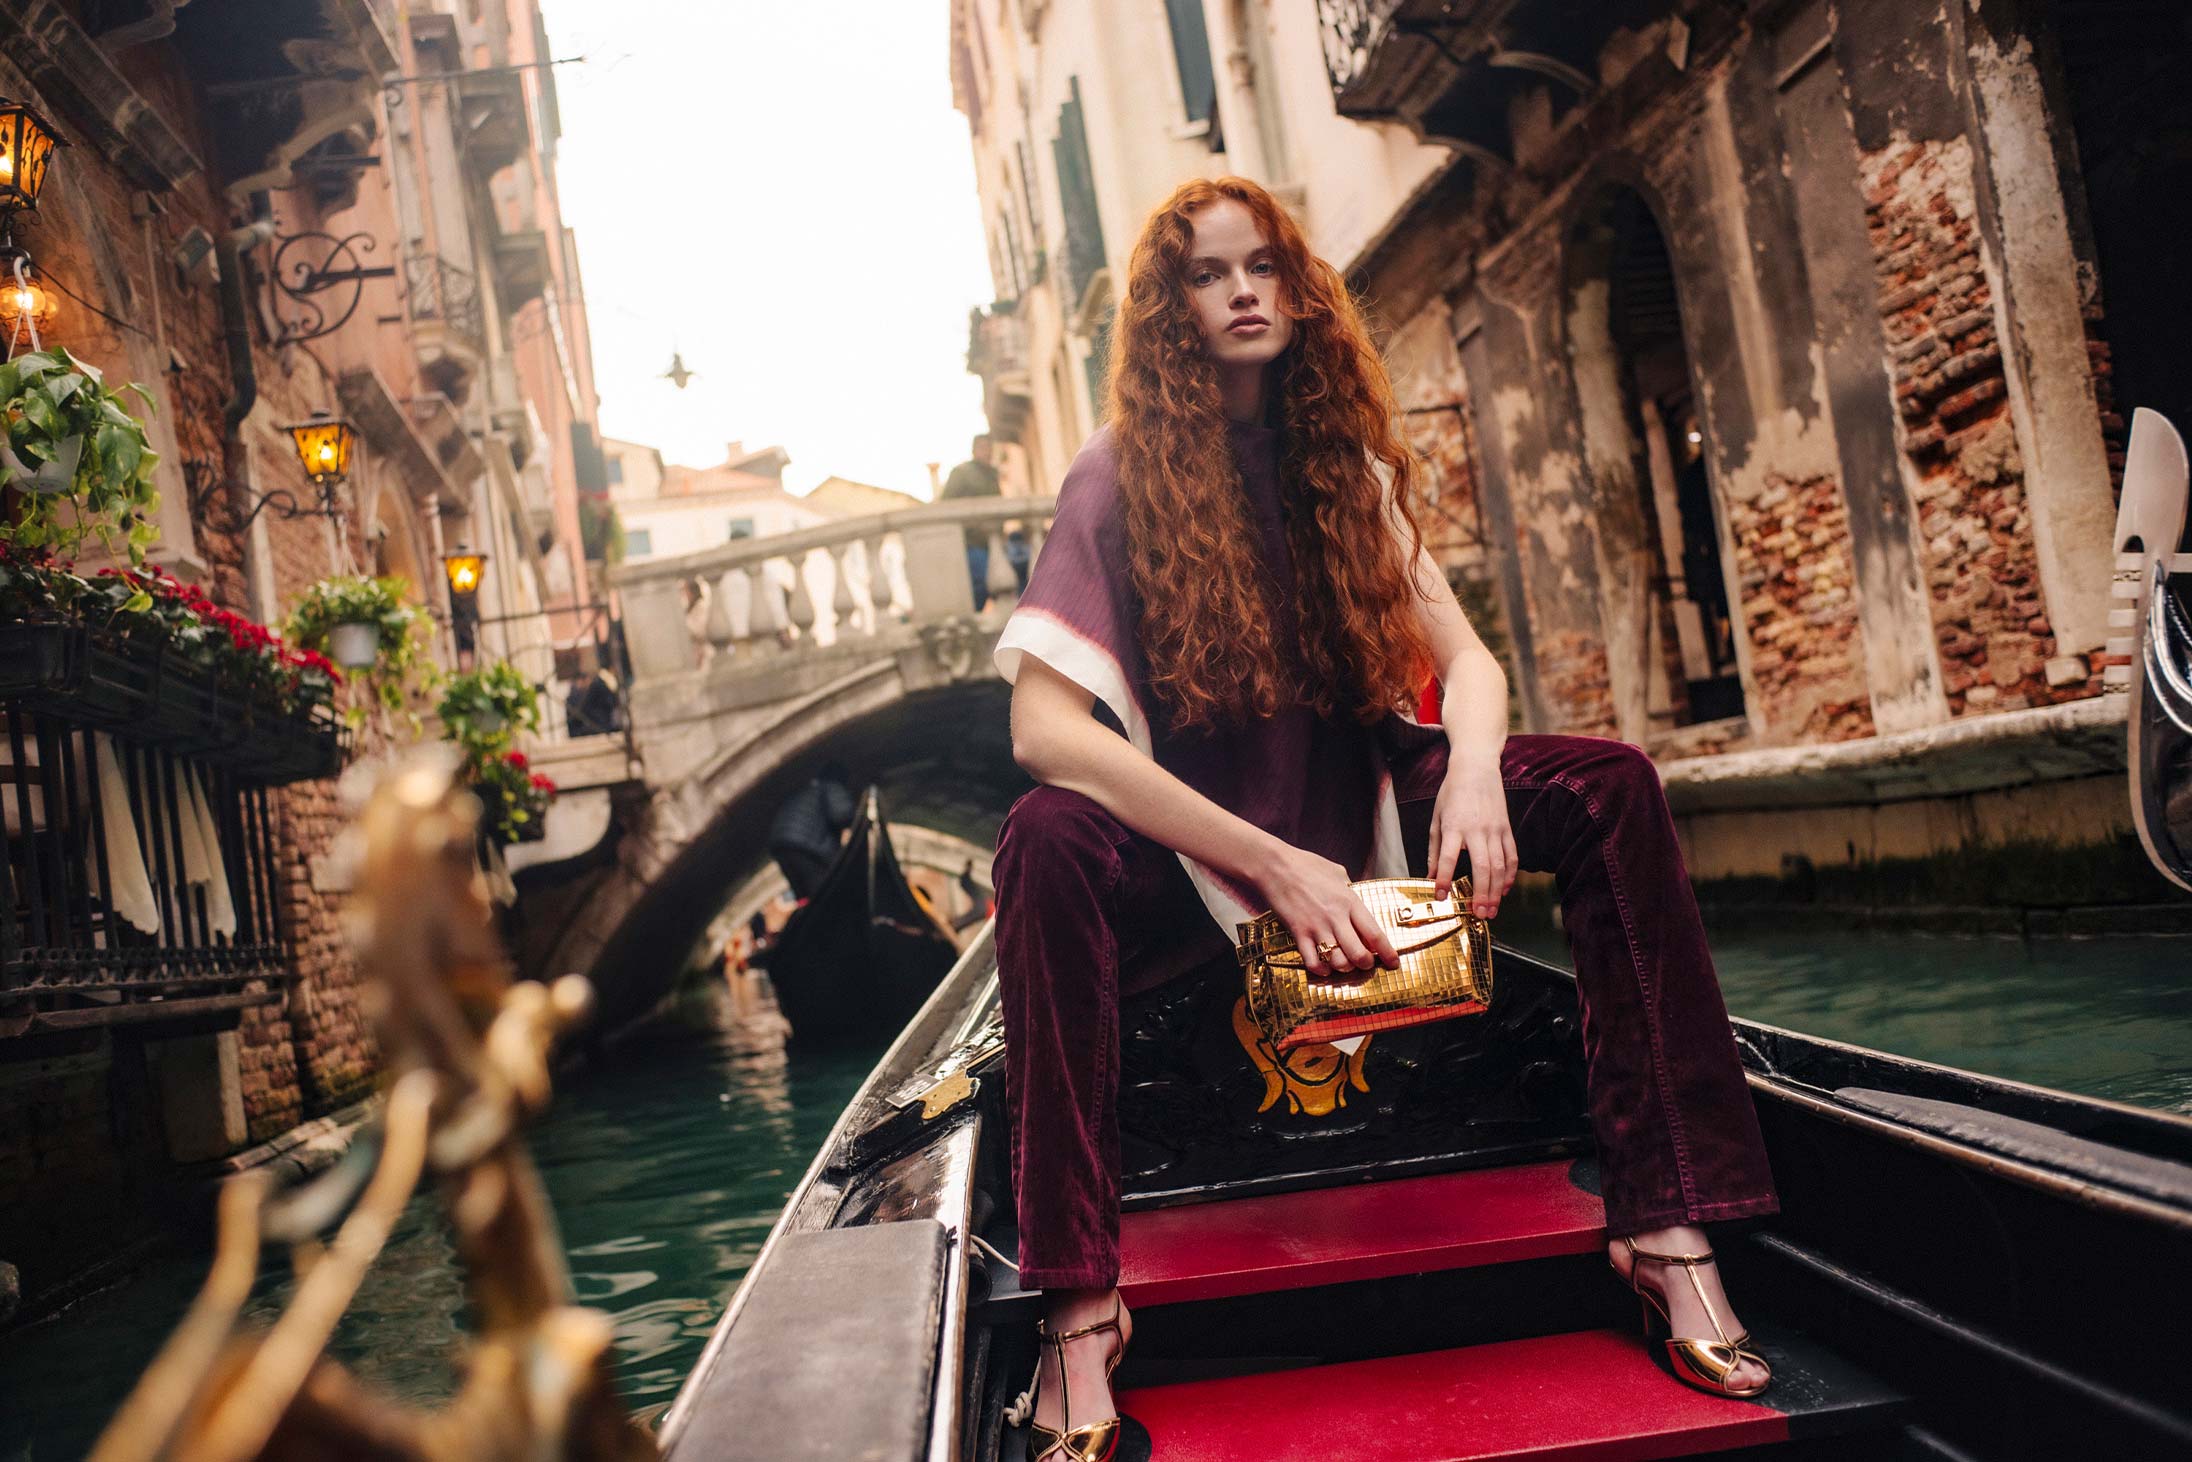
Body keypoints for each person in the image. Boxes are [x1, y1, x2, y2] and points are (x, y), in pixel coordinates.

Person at [991, 177, 1776, 1460]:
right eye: (1204, 273)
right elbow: (1043, 732)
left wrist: (1470, 769)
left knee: (1608, 785)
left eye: (1262, 266)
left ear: (1301, 292)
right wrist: (1265, 862)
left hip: (1362, 819)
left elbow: (1465, 664)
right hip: (1191, 864)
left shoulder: (1343, 469)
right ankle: (1078, 1298)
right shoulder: (1112, 478)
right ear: (1165, 310)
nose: (1241, 291)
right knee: (1040, 835)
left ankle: (1664, 1220)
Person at [939, 434, 1027, 610]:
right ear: (974, 450)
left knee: (1013, 581)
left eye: (989, 448)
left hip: (994, 541)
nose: (986, 452)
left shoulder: (992, 475)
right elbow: (947, 505)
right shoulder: (962, 473)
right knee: (981, 586)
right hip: (973, 542)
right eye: (982, 448)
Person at [765, 761, 855, 901]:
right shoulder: (831, 787)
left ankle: (804, 904)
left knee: (803, 893)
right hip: (806, 846)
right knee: (825, 889)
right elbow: (842, 814)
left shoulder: (805, 791)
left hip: (780, 845)